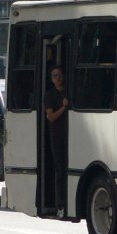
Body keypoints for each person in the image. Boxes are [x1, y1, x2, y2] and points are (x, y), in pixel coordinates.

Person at [44, 66, 68, 218]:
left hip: (71, 135)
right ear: (51, 80)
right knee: (60, 172)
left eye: (59, 75)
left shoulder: (69, 92)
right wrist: (64, 107)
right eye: (54, 76)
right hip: (57, 137)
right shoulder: (50, 96)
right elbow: (50, 117)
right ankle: (60, 205)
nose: (57, 78)